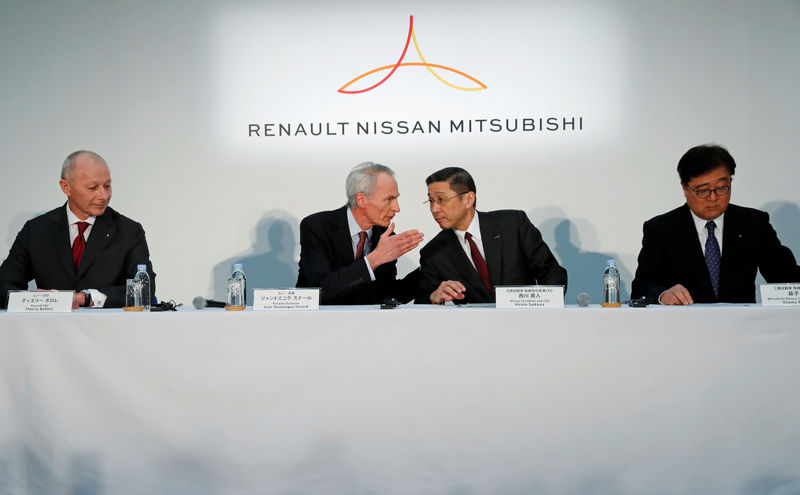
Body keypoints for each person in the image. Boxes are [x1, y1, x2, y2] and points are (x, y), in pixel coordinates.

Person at [631, 144, 800, 304]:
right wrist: (663, 295)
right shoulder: (662, 229)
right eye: (703, 190)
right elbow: (641, 287)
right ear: (684, 187)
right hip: (683, 328)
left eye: (721, 187)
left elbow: (785, 275)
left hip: (742, 327)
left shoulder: (753, 223)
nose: (713, 197)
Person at [0, 150, 156, 309]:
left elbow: (144, 290)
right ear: (66, 187)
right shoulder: (36, 231)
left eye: (107, 186)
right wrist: (35, 300)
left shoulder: (128, 231)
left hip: (108, 330)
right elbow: (3, 287)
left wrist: (86, 298)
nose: (103, 195)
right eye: (93, 187)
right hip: (48, 330)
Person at [416, 167, 567, 304]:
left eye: (441, 200)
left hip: (527, 323)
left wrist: (547, 306)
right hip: (474, 330)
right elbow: (422, 301)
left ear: (468, 199)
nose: (434, 209)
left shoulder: (513, 224)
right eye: (431, 201)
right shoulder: (434, 252)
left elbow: (550, 271)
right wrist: (433, 297)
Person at [296, 162, 423, 304]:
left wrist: (430, 268)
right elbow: (319, 290)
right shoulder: (317, 227)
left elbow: (387, 294)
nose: (397, 208)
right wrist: (375, 259)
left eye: (396, 198)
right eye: (389, 199)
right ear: (361, 200)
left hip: (364, 324)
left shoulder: (385, 238)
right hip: (317, 323)